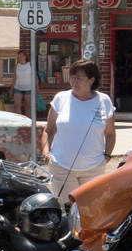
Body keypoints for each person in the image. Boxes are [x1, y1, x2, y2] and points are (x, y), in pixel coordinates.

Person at [43, 60, 117, 199]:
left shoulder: (104, 100)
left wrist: (106, 157)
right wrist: (46, 155)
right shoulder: (60, 98)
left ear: (91, 80)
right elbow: (49, 130)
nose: (73, 81)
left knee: (89, 209)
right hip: (61, 167)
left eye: (79, 78)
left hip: (94, 168)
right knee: (66, 208)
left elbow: (110, 134)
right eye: (71, 77)